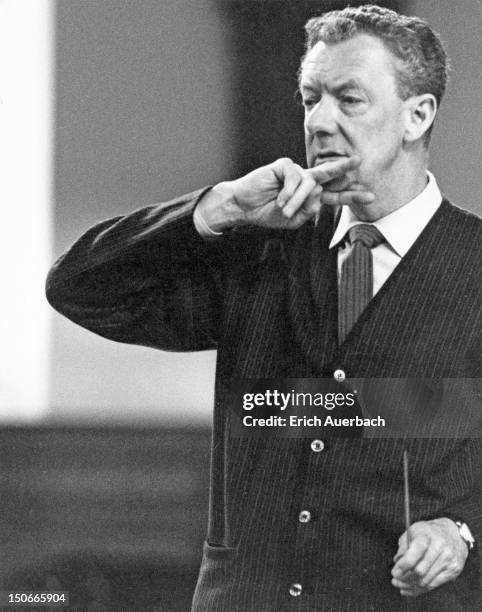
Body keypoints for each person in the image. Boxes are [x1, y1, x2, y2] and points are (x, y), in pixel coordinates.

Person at [46, 5, 481, 611]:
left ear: (418, 114)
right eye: (310, 98)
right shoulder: (261, 249)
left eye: (349, 99)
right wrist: (214, 209)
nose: (320, 120)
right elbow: (78, 288)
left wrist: (460, 530)